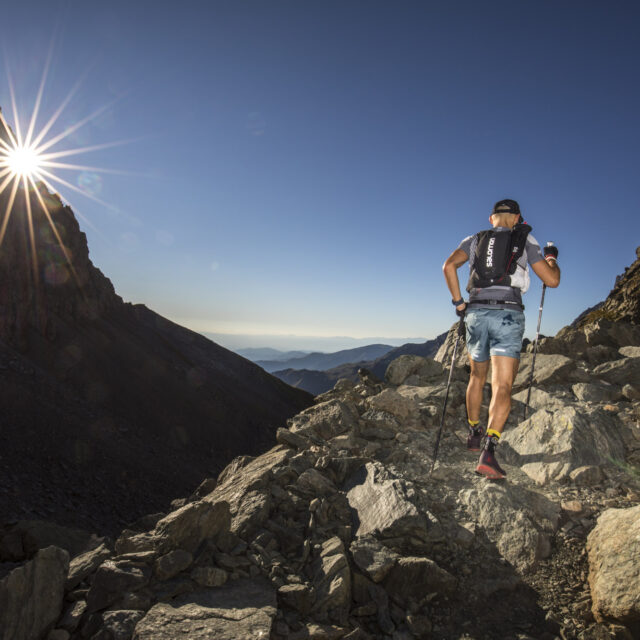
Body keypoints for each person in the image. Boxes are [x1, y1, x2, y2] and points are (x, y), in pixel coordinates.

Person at [442, 199, 560, 479]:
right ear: (517, 217)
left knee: (476, 377)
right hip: (507, 314)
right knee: (502, 385)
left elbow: (448, 267)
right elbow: (552, 280)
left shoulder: (474, 240)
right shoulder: (526, 239)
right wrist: (551, 257)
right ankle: (489, 451)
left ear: (491, 218)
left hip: (476, 314)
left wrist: (459, 303)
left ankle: (473, 433)